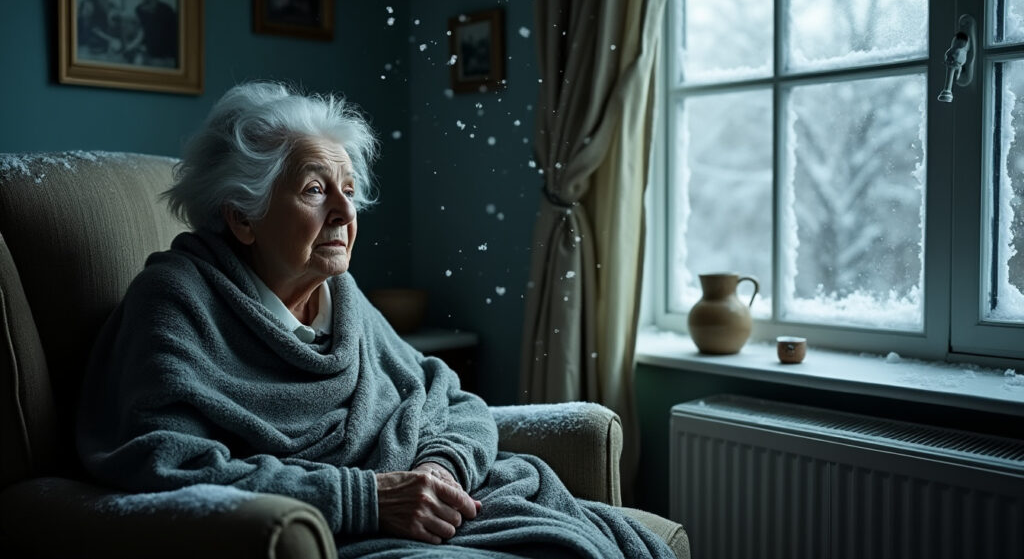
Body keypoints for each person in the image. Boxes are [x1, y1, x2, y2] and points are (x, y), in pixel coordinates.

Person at [76, 82, 674, 558]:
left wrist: (440, 471)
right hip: (344, 530)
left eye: (349, 189)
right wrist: (368, 499)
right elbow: (164, 462)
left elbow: (448, 397)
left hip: (429, 507)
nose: (344, 211)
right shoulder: (176, 300)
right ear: (242, 218)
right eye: (315, 190)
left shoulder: (342, 294)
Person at [123, 0, 177, 67]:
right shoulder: (139, 10)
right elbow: (143, 32)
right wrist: (131, 47)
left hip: (167, 59)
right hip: (149, 57)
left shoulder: (166, 9)